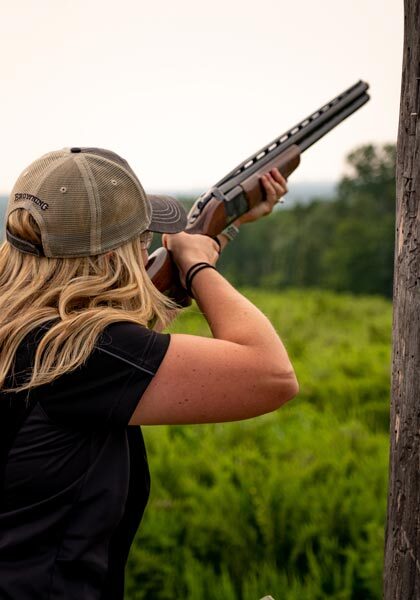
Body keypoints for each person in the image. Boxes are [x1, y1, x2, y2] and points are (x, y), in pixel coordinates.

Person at [0, 147, 298, 600]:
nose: (149, 247)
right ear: (114, 255)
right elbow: (271, 375)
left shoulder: (28, 336)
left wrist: (225, 227)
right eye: (143, 238)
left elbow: (130, 340)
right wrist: (197, 265)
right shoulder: (82, 354)